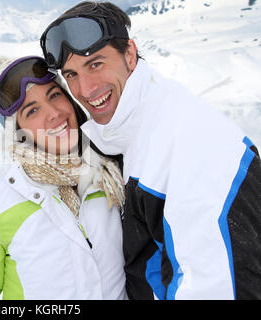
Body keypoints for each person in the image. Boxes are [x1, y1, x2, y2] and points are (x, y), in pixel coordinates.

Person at [40, 1, 261, 300]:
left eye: (96, 64)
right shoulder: (131, 134)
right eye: (72, 75)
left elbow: (219, 288)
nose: (86, 89)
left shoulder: (191, 143)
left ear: (129, 55)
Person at [0, 55, 128, 299]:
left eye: (54, 95)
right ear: (18, 132)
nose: (54, 113)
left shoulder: (111, 175)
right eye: (32, 111)